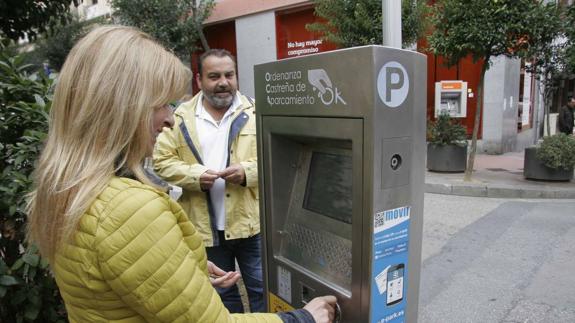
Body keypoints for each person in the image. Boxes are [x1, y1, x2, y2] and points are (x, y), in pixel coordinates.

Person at [26, 25, 336, 323]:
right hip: (206, 225)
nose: (168, 119)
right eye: (159, 103)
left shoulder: (65, 191)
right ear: (119, 108)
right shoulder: (129, 210)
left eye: (229, 74)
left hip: (245, 222)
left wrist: (184, 273)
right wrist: (302, 318)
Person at [153, 49, 263, 313]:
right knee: (223, 293)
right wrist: (196, 177)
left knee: (262, 288)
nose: (223, 82)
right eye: (214, 76)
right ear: (200, 81)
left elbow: (276, 155)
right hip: (204, 228)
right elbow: (161, 160)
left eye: (229, 74)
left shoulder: (258, 111)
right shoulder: (180, 117)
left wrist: (247, 172)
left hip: (251, 224)